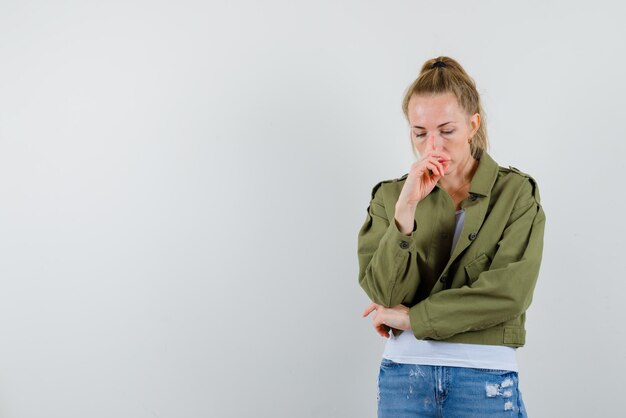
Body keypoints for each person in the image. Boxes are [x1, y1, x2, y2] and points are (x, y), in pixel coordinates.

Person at [357, 56, 545, 417]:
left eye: (447, 131)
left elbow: (507, 295)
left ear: (473, 124)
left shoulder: (516, 193)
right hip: (403, 379)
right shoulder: (390, 197)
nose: (432, 147)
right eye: (420, 132)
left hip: (485, 379)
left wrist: (413, 319)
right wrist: (405, 211)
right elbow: (384, 293)